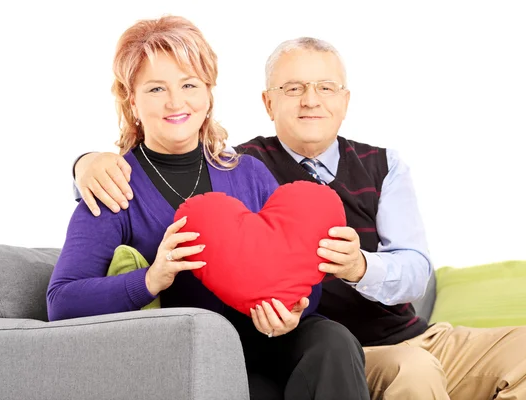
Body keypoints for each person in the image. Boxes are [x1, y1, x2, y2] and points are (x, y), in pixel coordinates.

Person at [72, 36, 526, 399]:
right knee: (390, 363)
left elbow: (375, 276)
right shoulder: (229, 164)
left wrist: (330, 286)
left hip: (388, 335)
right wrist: (87, 167)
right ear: (268, 102)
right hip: (314, 350)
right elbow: (65, 297)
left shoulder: (258, 170)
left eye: (190, 84)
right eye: (293, 88)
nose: (311, 101)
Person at [48, 17, 369, 400]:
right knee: (252, 388)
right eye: (155, 88)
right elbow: (61, 302)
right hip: (193, 358)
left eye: (189, 85)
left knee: (333, 339)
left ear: (208, 93)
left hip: (273, 339)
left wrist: (295, 309)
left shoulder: (248, 171)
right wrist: (153, 278)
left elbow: (299, 269)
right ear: (131, 99)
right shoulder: (114, 185)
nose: (175, 102)